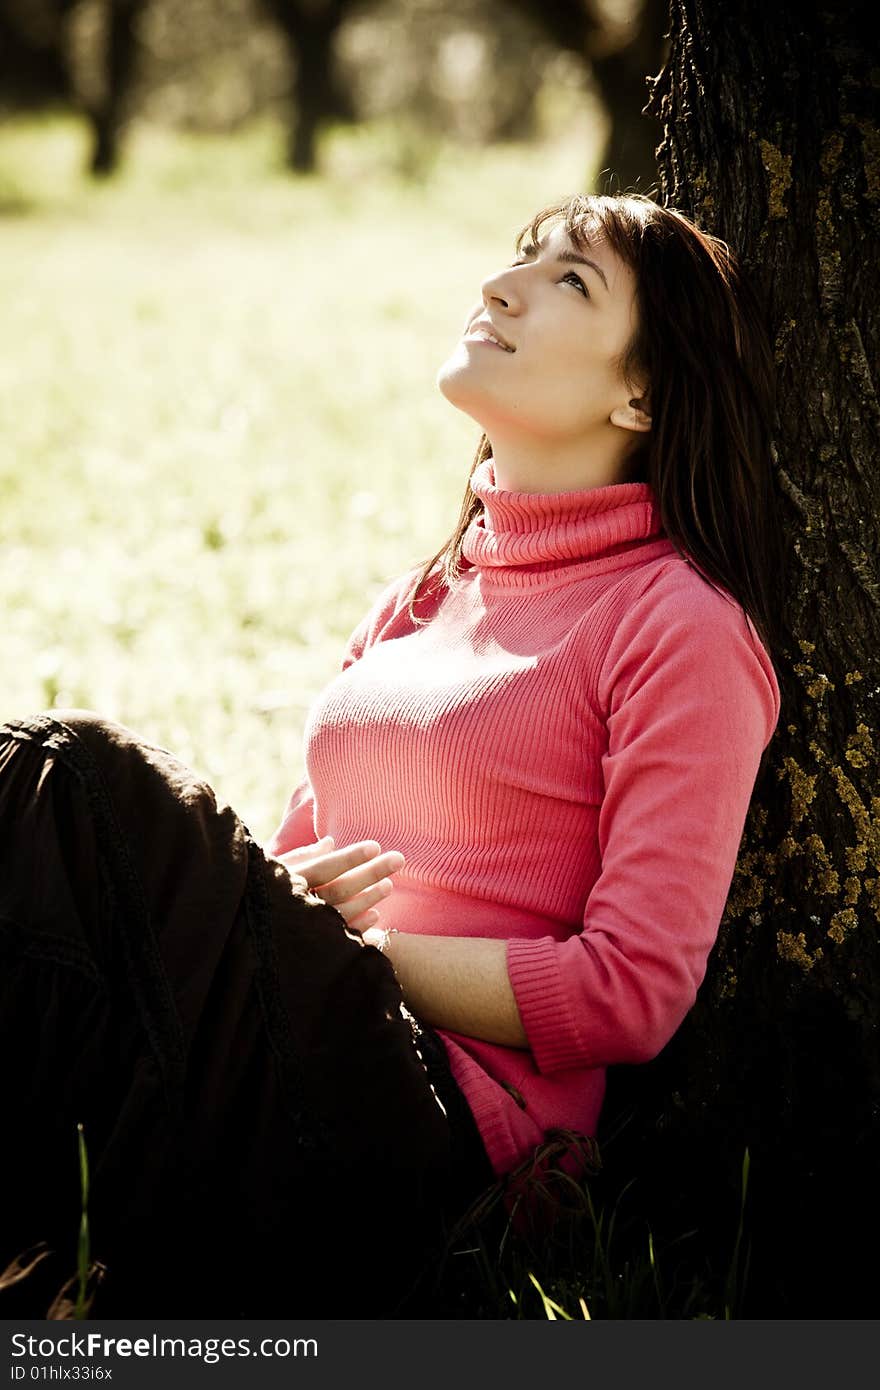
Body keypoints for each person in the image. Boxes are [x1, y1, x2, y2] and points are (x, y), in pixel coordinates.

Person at [0, 192, 782, 1320]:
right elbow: (282, 875)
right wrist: (287, 905)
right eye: (520, 258)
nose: (502, 287)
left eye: (571, 281)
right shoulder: (423, 598)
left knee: (69, 785)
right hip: (289, 1047)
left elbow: (632, 991)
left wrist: (353, 942)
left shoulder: (680, 624)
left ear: (644, 390)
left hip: (437, 1130)